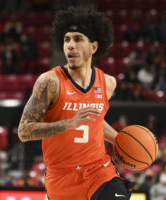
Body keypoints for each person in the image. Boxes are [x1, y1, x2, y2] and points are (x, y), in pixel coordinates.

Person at [18, 7, 132, 200]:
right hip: (61, 177)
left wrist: (121, 141)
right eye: (67, 40)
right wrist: (69, 123)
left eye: (78, 39)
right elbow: (24, 131)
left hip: (99, 171)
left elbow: (94, 122)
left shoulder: (108, 83)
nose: (71, 45)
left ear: (93, 47)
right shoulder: (50, 82)